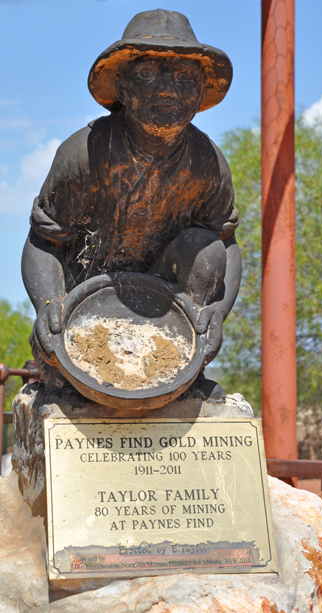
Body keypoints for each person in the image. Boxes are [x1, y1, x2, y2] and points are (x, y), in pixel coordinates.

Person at [22, 9, 241, 400]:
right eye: (146, 75)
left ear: (201, 91)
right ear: (121, 86)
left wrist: (215, 314)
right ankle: (67, 372)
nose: (166, 90)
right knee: (60, 352)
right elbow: (43, 242)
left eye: (185, 78)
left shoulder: (206, 162)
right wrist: (49, 305)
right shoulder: (85, 154)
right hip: (85, 297)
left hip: (164, 300)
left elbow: (226, 244)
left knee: (205, 250)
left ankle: (185, 369)